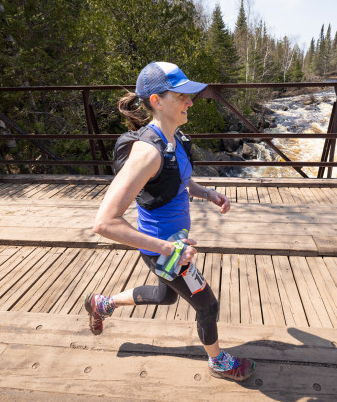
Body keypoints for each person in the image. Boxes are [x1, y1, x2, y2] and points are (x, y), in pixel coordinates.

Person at [86, 61, 256, 382]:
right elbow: (105, 223)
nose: (190, 102)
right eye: (182, 96)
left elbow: (180, 180)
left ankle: (102, 303)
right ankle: (218, 361)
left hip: (171, 247)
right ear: (156, 102)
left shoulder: (175, 139)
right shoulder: (147, 153)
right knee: (207, 306)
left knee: (165, 295)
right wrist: (167, 248)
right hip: (165, 251)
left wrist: (207, 193)